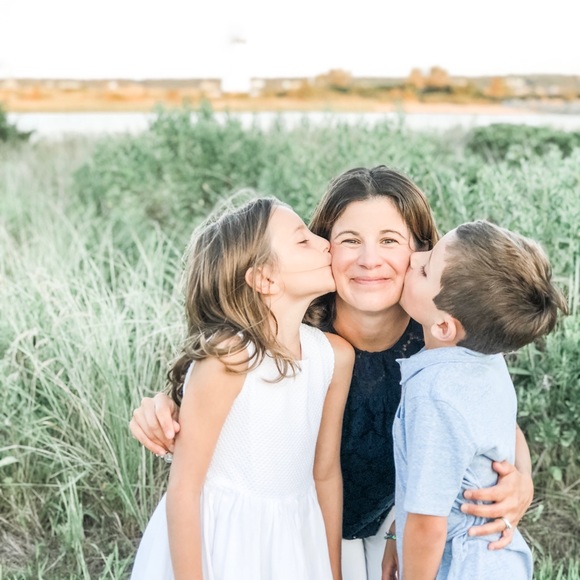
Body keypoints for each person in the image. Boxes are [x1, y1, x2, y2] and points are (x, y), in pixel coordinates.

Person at [130, 167, 535, 580]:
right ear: (326, 247)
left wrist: (522, 477)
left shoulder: (440, 332)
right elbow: (229, 399)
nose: (369, 260)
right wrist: (165, 409)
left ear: (419, 252)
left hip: (393, 524)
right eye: (350, 240)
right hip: (304, 531)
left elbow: (490, 419)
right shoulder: (296, 325)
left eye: (390, 241)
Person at [131, 197, 354, 579]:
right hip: (221, 543)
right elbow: (185, 490)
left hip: (295, 542)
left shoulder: (334, 357)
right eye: (303, 241)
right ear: (264, 278)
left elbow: (325, 473)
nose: (324, 244)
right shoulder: (229, 359)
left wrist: (333, 573)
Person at [392, 220, 568, 579]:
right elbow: (506, 430)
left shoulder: (436, 394)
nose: (415, 258)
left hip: (462, 565)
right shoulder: (486, 360)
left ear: (444, 326)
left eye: (425, 270)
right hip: (497, 559)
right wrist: (396, 537)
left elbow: (428, 524)